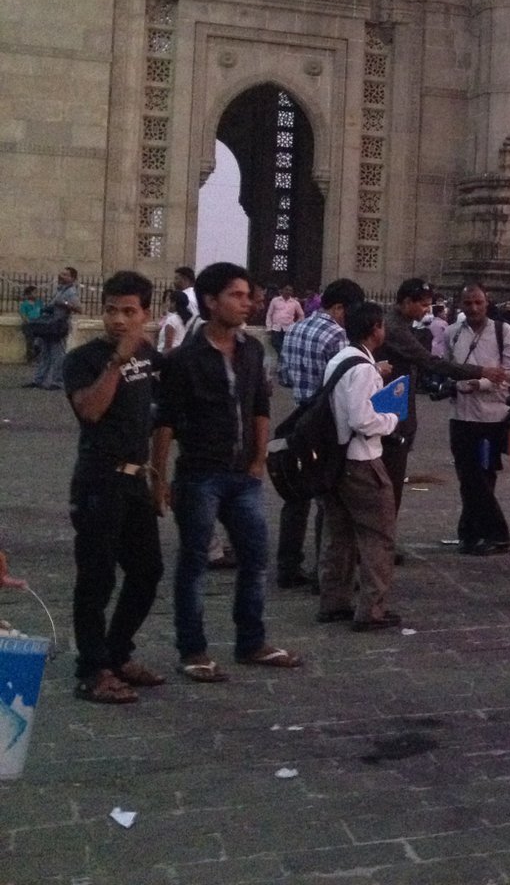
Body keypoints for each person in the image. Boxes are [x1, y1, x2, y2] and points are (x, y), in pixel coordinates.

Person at [151, 262, 301, 682]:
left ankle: (251, 642)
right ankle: (193, 650)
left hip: (242, 476)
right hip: (199, 474)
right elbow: (165, 422)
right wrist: (158, 478)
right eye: (237, 295)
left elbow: (260, 407)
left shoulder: (252, 350)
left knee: (255, 558)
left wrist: (258, 460)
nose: (247, 303)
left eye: (248, 295)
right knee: (194, 564)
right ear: (211, 301)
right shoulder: (184, 359)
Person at [63, 270, 165, 704]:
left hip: (135, 480)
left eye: (129, 311)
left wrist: (158, 477)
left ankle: (117, 653)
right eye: (111, 310)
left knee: (147, 571)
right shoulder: (83, 359)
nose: (119, 320)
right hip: (98, 480)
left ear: (146, 314)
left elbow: (159, 419)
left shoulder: (151, 357)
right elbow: (90, 411)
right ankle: (92, 670)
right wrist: (117, 362)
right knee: (97, 578)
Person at [379, 278, 504, 526]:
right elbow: (432, 362)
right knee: (390, 482)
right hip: (390, 413)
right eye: (423, 305)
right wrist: (481, 371)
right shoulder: (395, 328)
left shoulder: (400, 324)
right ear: (407, 302)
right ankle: (382, 537)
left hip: (399, 410)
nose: (427, 310)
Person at [316, 302, 403, 631]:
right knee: (378, 536)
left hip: (336, 459)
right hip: (362, 460)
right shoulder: (364, 369)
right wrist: (391, 419)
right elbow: (363, 419)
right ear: (375, 329)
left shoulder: (340, 360)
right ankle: (372, 609)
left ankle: (333, 600)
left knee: (338, 535)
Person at [274, 277, 365, 589]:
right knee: (328, 501)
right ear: (339, 308)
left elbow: (284, 377)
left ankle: (288, 566)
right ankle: (324, 572)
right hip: (326, 425)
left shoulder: (295, 328)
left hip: (299, 420)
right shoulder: (338, 335)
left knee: (296, 497)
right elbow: (342, 382)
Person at [445, 285, 510, 556]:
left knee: (482, 477)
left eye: (478, 302)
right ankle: (470, 531)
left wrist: (480, 383)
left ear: (487, 302)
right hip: (460, 416)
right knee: (467, 476)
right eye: (468, 303)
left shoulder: (503, 331)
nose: (474, 308)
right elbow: (447, 367)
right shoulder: (452, 333)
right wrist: (451, 384)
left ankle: (495, 533)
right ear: (460, 305)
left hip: (491, 419)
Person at [28, 266, 81, 391]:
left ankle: (58, 381)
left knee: (58, 354)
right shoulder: (60, 290)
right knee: (45, 353)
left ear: (73, 278)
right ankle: (39, 380)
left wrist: (64, 303)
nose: (61, 276)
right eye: (62, 274)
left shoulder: (71, 292)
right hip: (50, 325)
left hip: (59, 326)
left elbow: (79, 308)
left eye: (66, 275)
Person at [263, 284, 303, 356]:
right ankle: (282, 357)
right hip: (276, 328)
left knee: (286, 346)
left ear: (292, 292)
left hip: (288, 329)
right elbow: (269, 314)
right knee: (275, 343)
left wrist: (295, 326)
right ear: (282, 290)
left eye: (290, 290)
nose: (288, 292)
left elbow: (301, 315)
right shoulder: (275, 300)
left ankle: (282, 358)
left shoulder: (295, 303)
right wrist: (269, 327)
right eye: (286, 289)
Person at [156, 289, 192, 354]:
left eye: (169, 300)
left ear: (173, 303)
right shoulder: (187, 319)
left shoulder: (172, 320)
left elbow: (167, 346)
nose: (167, 303)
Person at [18, 284, 43, 362]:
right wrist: (30, 322)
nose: (36, 294)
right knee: (30, 341)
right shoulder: (24, 304)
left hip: (39, 324)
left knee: (39, 341)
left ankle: (38, 357)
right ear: (28, 294)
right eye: (34, 292)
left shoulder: (39, 303)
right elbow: (23, 316)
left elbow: (43, 313)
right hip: (29, 325)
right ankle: (30, 358)